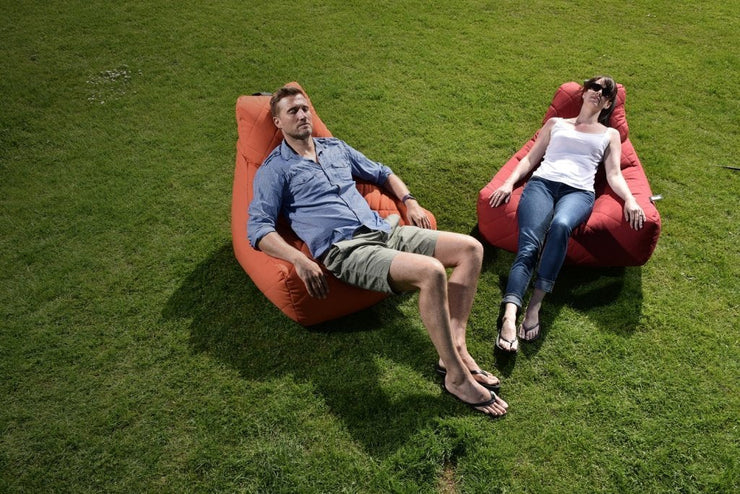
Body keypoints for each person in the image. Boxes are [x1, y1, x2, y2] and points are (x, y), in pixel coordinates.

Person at [248, 86, 508, 417]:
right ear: (278, 122)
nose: (302, 115)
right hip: (346, 249)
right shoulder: (275, 170)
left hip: (384, 231)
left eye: (304, 108)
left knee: (471, 249)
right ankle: (457, 379)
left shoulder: (335, 148)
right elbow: (258, 228)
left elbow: (382, 172)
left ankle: (455, 350)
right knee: (431, 272)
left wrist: (410, 201)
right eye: (292, 111)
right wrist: (298, 259)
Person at [487, 76, 646, 352]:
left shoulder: (610, 134)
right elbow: (530, 158)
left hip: (579, 193)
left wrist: (631, 199)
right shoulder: (556, 124)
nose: (598, 92)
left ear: (608, 103)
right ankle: (510, 315)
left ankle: (535, 304)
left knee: (561, 225)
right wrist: (508, 183)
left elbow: (614, 174)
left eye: (606, 92)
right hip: (542, 185)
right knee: (529, 246)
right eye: (594, 87)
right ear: (583, 92)